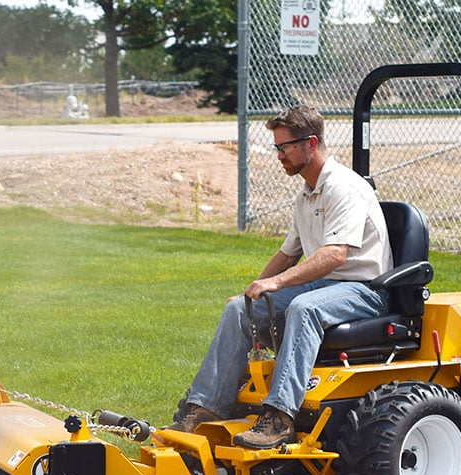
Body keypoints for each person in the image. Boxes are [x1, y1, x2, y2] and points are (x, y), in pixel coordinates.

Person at [167, 105, 393, 448]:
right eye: (277, 148)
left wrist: (276, 284)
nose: (279, 156)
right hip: (327, 287)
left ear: (310, 144)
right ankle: (203, 408)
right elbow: (288, 253)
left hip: (365, 289)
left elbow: (336, 254)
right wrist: (253, 291)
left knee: (305, 307)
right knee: (239, 310)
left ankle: (279, 418)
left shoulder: (344, 187)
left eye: (284, 147)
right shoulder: (306, 194)